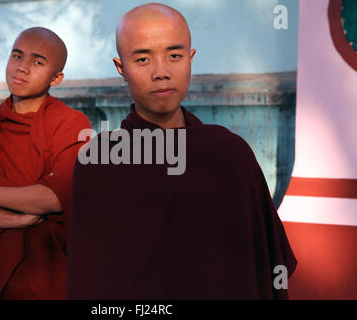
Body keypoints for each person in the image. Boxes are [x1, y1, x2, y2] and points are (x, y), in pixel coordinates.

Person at [67, 3, 297, 299]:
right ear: (121, 68)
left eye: (174, 56)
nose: (161, 72)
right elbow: (90, 280)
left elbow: (266, 264)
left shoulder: (229, 155)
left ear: (191, 59)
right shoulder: (100, 162)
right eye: (142, 59)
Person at [0, 27, 90, 300]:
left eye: (37, 62)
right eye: (16, 56)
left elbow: (53, 197)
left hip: (49, 265)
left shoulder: (69, 124)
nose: (22, 68)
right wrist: (16, 220)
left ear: (56, 78)